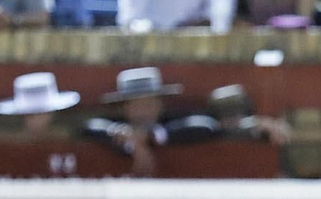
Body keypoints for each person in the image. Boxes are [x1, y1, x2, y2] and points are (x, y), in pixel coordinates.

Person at [83, 69, 286, 176]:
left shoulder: (174, 123)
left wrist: (150, 137)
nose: (143, 110)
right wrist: (124, 136)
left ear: (160, 105)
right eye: (136, 105)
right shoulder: (113, 126)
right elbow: (90, 126)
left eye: (149, 103)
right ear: (124, 108)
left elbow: (204, 126)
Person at [0, 70, 79, 136]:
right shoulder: (11, 144)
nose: (36, 121)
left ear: (51, 114)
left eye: (41, 113)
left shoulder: (65, 140)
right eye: (30, 115)